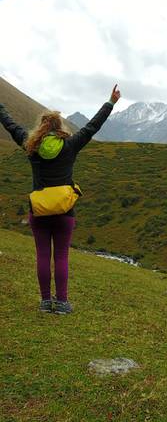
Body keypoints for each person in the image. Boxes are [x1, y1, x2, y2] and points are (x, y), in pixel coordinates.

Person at [0, 84, 121, 314]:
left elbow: (10, 124)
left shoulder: (30, 145)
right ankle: (62, 303)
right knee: (62, 257)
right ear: (59, 127)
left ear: (41, 127)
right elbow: (92, 127)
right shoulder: (70, 145)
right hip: (65, 212)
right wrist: (110, 102)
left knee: (43, 255)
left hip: (39, 211)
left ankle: (46, 302)